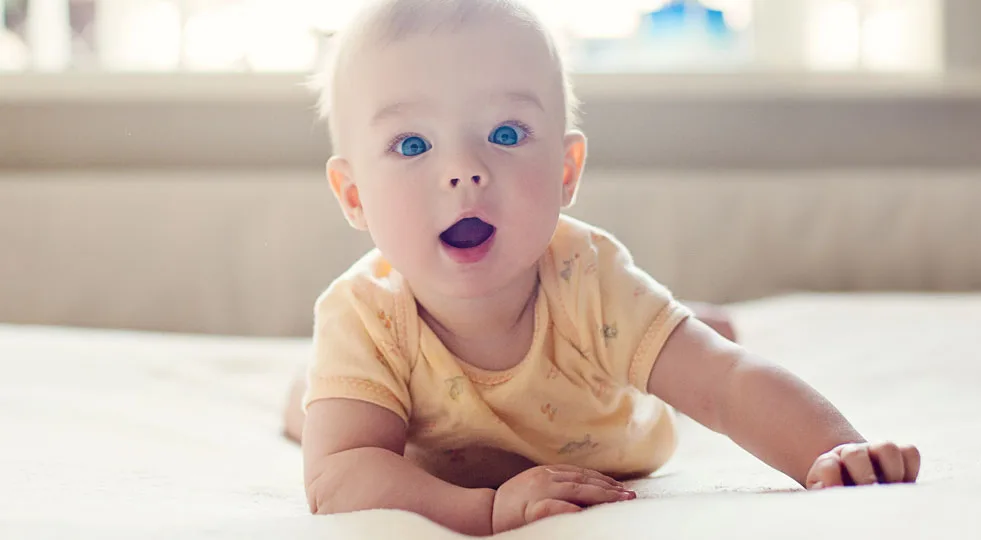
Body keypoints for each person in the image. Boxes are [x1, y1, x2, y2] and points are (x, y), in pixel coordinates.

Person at [284, 1, 920, 535]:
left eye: (506, 133)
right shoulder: (364, 315)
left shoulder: (588, 279)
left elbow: (726, 386)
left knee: (693, 353)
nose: (464, 170)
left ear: (566, 173)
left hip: (606, 414)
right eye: (413, 144)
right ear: (354, 196)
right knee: (320, 414)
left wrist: (836, 452)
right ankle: (306, 392)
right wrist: (483, 510)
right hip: (411, 421)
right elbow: (339, 473)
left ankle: (683, 325)